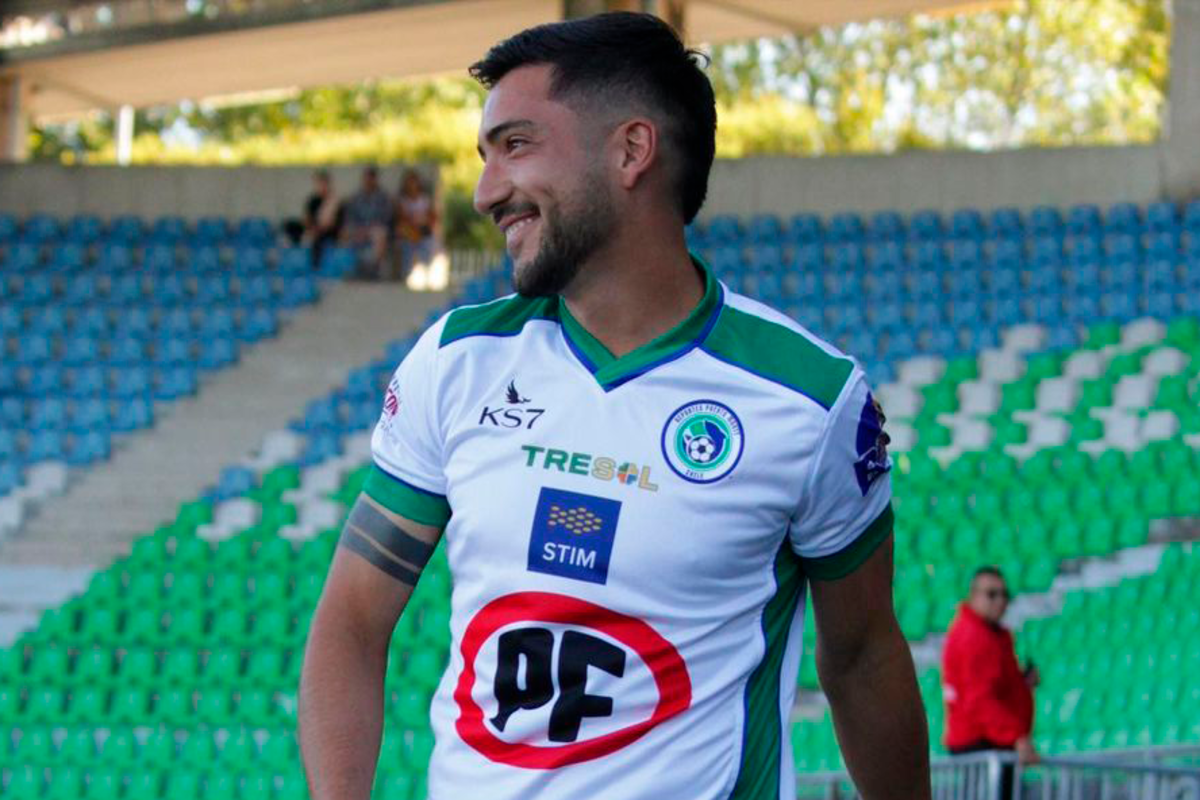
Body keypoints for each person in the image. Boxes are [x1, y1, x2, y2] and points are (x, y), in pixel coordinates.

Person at [300, 13, 930, 800]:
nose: (486, 191)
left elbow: (864, 656)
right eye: (485, 155)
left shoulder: (808, 400)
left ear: (631, 150)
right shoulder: (456, 362)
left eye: (516, 144)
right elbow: (352, 620)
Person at [942, 567, 1039, 796]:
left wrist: (1022, 685)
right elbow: (980, 700)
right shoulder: (974, 636)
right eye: (991, 594)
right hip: (982, 744)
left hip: (992, 742)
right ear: (973, 596)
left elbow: (995, 689)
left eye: (1005, 594)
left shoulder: (993, 635)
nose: (1000, 601)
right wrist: (1015, 736)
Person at [341, 165, 393, 279]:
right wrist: (359, 230)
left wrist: (368, 230)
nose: (368, 181)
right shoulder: (355, 198)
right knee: (345, 233)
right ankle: (348, 271)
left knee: (380, 233)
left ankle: (374, 271)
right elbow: (350, 218)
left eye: (370, 178)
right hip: (359, 229)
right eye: (366, 178)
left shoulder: (384, 198)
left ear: (375, 179)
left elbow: (386, 219)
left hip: (376, 230)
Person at [283, 169, 342, 268]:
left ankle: (314, 266)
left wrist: (316, 230)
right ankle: (294, 252)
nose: (320, 186)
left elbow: (331, 222)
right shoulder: (313, 200)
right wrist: (309, 228)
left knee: (317, 238)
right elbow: (307, 218)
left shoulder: (334, 200)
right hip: (313, 228)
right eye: (318, 184)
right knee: (289, 225)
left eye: (322, 183)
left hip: (329, 231)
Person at [394, 169, 440, 280]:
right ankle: (406, 274)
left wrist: (422, 222)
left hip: (424, 232)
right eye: (409, 183)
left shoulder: (425, 199)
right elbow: (402, 218)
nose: (412, 186)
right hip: (409, 234)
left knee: (429, 245)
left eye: (414, 182)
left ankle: (427, 273)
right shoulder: (402, 201)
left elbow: (432, 218)